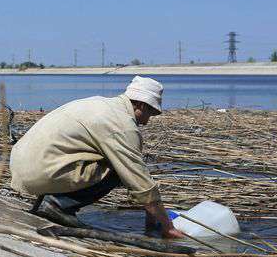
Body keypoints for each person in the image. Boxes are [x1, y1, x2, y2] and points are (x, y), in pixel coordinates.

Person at [9, 76, 184, 238]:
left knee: (105, 160)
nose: (146, 122)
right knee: (118, 169)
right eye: (149, 115)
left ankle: (51, 200)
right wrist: (168, 227)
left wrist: (152, 216)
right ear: (142, 105)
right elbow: (139, 181)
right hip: (41, 171)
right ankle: (58, 205)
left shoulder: (100, 103)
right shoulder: (122, 125)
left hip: (22, 167)